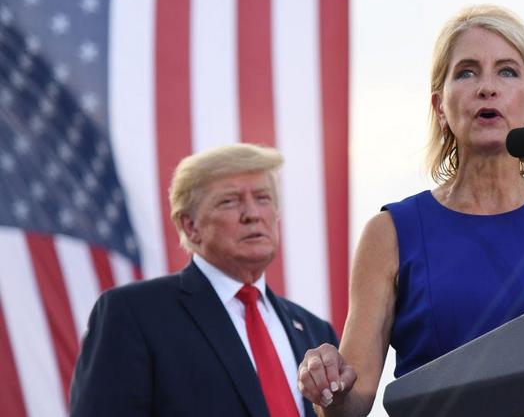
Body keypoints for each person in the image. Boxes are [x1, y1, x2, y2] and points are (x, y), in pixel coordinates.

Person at [296, 4, 524, 416]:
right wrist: (329, 384)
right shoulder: (389, 232)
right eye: (466, 72)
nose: (487, 87)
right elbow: (350, 405)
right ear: (440, 107)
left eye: (507, 71)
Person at [70, 143, 338, 417]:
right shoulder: (133, 313)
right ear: (190, 226)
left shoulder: (316, 332)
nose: (252, 214)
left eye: (263, 198)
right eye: (230, 201)